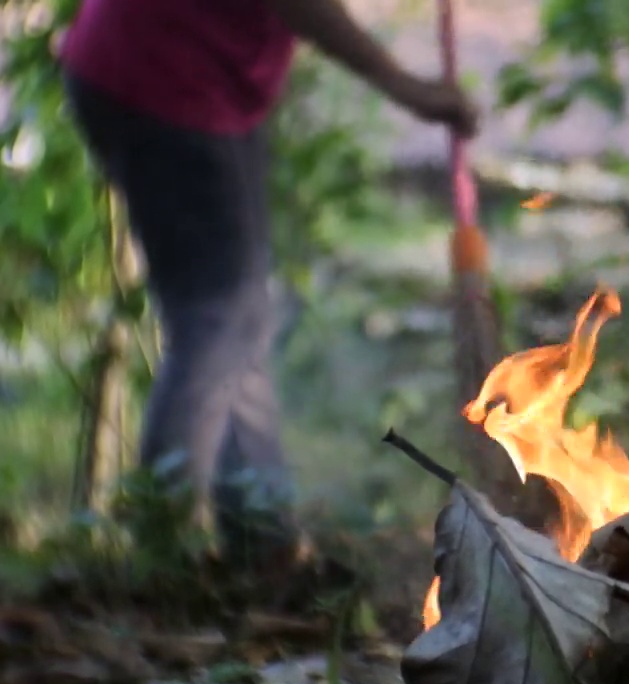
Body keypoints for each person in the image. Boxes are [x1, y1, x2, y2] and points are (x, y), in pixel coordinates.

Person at [58, 0, 478, 571]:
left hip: (171, 72)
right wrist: (405, 87)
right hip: (167, 76)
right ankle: (160, 544)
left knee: (237, 320)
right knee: (218, 319)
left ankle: (263, 538)